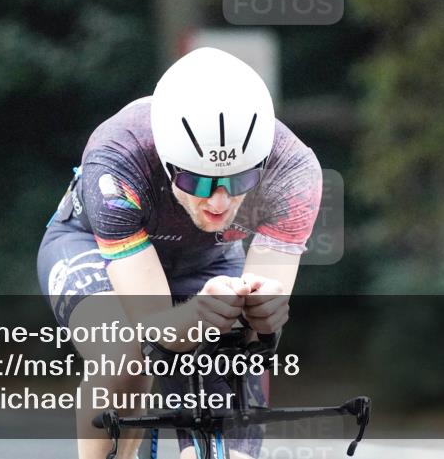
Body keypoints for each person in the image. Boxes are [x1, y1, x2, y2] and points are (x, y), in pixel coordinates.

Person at [37, 47, 323, 459]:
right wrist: (195, 316)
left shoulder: (293, 172)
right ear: (168, 163)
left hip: (209, 259)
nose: (220, 202)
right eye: (199, 182)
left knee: (238, 367)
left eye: (239, 179)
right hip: (90, 247)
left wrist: (263, 310)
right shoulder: (117, 158)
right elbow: (153, 331)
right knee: (125, 357)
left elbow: (262, 329)